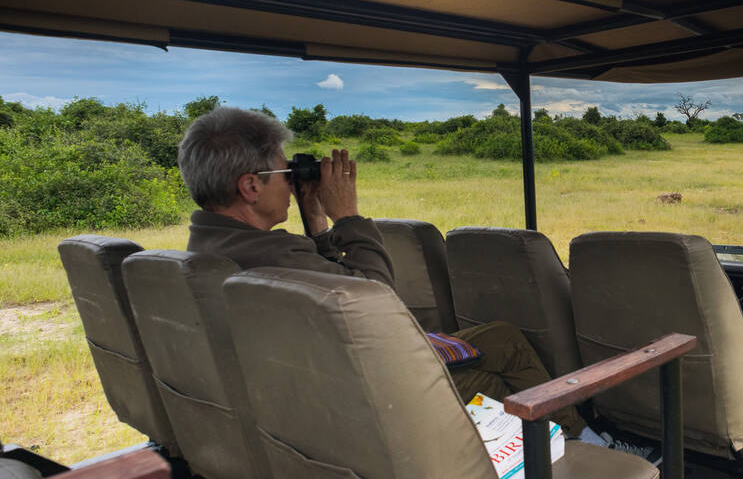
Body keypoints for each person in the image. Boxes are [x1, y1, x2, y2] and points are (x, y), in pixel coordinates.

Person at [177, 107, 585, 434]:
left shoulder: (211, 248)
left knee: (501, 337)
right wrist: (348, 217)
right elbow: (375, 298)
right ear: (251, 187)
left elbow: (322, 277)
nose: (290, 184)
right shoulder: (274, 256)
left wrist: (316, 218)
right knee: (496, 380)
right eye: (285, 174)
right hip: (364, 395)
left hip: (314, 384)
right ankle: (579, 441)